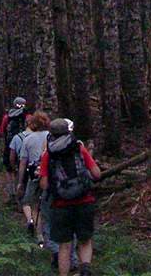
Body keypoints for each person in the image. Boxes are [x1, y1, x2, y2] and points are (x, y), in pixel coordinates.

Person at [39, 118, 101, 276]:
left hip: (61, 205)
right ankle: (85, 268)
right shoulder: (79, 148)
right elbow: (97, 174)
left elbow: (44, 185)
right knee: (85, 240)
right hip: (85, 200)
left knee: (64, 246)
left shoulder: (48, 154)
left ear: (51, 133)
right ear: (68, 131)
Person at [17, 111, 51, 240]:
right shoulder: (51, 137)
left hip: (34, 174)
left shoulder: (28, 139)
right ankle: (50, 234)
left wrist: (20, 182)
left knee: (28, 202)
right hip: (49, 175)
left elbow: (23, 162)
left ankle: (35, 227)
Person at [0, 97, 28, 198]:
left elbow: (2, 131)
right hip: (25, 145)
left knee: (9, 168)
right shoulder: (28, 116)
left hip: (10, 145)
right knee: (24, 167)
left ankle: (12, 192)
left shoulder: (7, 116)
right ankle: (23, 192)